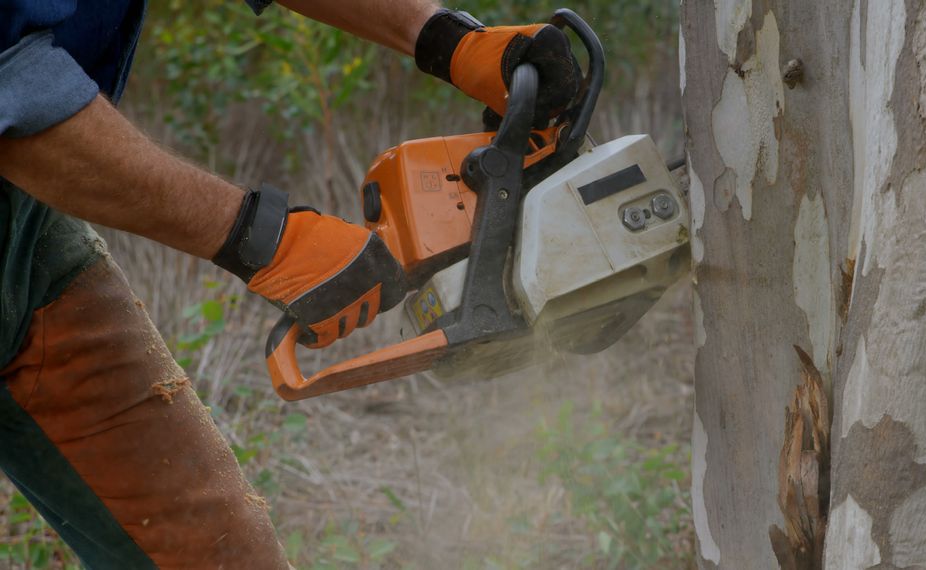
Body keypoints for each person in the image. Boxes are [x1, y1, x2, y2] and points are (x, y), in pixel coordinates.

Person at [0, 1, 581, 567]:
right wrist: (266, 240)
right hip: (27, 156)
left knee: (220, 551)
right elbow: (12, 89)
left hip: (23, 235)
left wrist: (444, 37)